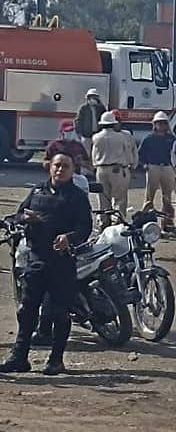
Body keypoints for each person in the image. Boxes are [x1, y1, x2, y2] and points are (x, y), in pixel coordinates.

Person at [0, 153, 93, 375]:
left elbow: (85, 228)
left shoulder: (77, 197)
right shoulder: (38, 191)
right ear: (49, 167)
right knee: (27, 311)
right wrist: (25, 219)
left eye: (65, 166)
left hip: (62, 263)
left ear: (73, 170)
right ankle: (19, 358)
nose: (60, 170)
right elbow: (18, 215)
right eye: (57, 165)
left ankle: (56, 360)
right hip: (37, 260)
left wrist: (69, 238)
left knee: (60, 313)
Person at [91, 111, 138, 225]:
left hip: (101, 169)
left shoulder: (96, 137)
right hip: (117, 169)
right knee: (120, 199)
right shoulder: (121, 137)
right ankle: (118, 222)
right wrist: (130, 165)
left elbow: (93, 154)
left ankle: (104, 222)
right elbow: (128, 154)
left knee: (103, 198)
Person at [140, 112, 176, 231]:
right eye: (158, 123)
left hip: (167, 167)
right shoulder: (149, 138)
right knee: (149, 197)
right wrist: (144, 165)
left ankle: (167, 222)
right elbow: (141, 154)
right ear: (154, 124)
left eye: (163, 123)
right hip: (153, 167)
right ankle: (146, 221)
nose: (161, 125)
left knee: (167, 197)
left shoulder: (172, 139)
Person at [45, 120, 91, 188]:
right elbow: (45, 162)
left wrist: (81, 162)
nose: (69, 133)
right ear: (61, 132)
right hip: (58, 178)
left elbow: (88, 163)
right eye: (67, 131)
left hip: (76, 179)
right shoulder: (54, 145)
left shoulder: (78, 145)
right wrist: (54, 163)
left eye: (71, 131)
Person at [75, 88, 106, 153]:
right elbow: (78, 121)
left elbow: (104, 118)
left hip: (98, 134)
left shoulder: (101, 108)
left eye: (95, 97)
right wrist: (79, 134)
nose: (93, 99)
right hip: (86, 135)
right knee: (87, 152)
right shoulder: (83, 108)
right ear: (88, 98)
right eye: (92, 97)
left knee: (97, 152)